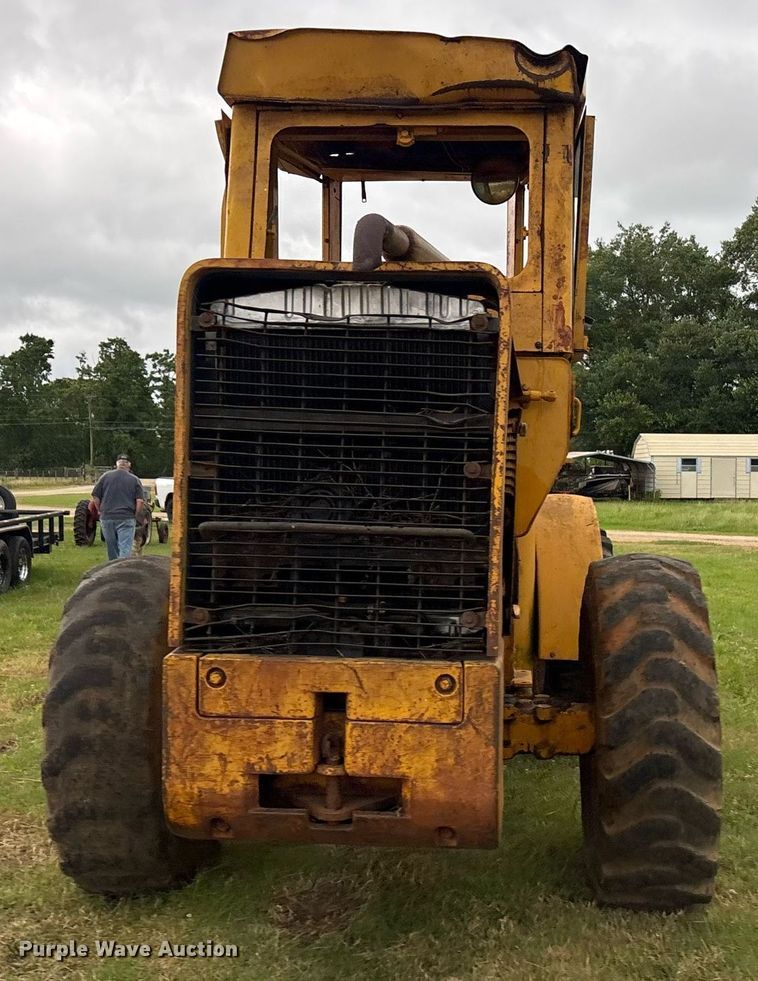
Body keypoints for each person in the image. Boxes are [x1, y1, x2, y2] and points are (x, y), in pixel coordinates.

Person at [91, 454, 145, 560]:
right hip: (126, 517)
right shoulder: (134, 480)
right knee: (125, 549)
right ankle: (123, 572)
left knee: (112, 549)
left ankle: (113, 571)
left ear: (116, 464)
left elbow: (95, 496)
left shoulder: (105, 477)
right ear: (129, 465)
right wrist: (136, 515)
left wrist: (100, 510)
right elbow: (140, 501)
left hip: (107, 517)